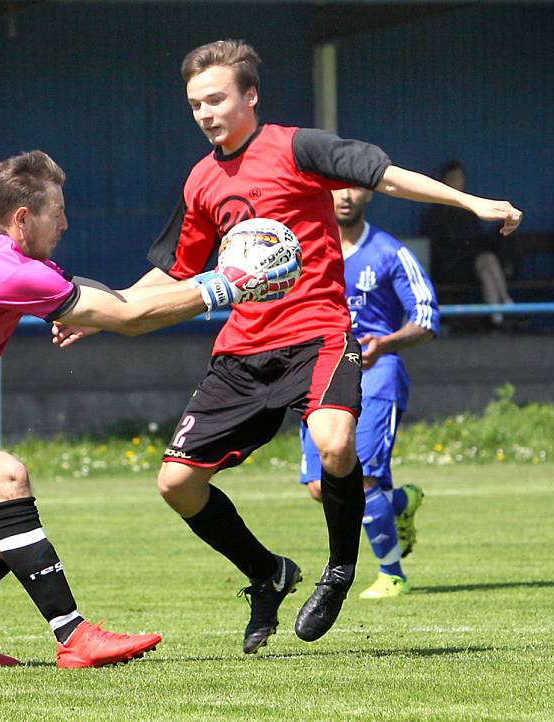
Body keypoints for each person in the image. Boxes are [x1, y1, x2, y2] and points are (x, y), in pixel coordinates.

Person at [53, 39, 521, 653]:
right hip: (242, 352)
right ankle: (266, 573)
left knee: (333, 444)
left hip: (319, 335)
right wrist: (108, 313)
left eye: (216, 99)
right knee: (176, 485)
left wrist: (469, 201)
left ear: (250, 96)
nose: (205, 113)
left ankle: (340, 569)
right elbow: (176, 270)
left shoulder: (297, 147)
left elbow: (384, 175)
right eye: (195, 104)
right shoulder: (201, 181)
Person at [0, 150, 291, 669]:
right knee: (8, 478)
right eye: (58, 212)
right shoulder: (12, 272)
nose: (66, 223)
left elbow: (106, 300)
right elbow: (131, 317)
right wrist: (226, 285)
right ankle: (74, 636)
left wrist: (108, 309)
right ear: (23, 218)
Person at [299, 185, 439, 599]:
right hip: (321, 373)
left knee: (364, 480)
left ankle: (392, 574)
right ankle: (398, 505)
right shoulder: (304, 250)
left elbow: (426, 316)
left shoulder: (389, 251)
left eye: (354, 187)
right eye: (334, 187)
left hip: (375, 373)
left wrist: (386, 343)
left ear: (370, 194)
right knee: (321, 487)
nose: (343, 196)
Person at [425, 160, 514, 327]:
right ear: (444, 181)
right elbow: (438, 247)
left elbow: (477, 240)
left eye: (459, 177)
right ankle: (505, 306)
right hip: (451, 267)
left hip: (472, 264)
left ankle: (498, 315)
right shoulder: (438, 212)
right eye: (452, 178)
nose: (456, 181)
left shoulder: (469, 208)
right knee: (484, 261)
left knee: (487, 260)